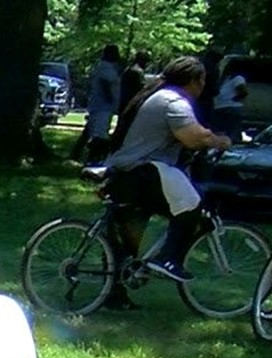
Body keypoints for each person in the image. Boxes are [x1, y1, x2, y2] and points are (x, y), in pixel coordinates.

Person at [105, 54, 233, 289]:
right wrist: (221, 141)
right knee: (191, 205)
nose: (204, 86)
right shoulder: (174, 101)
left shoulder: (159, 95)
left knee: (131, 231)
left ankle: (117, 290)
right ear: (193, 80)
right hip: (145, 171)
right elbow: (194, 137)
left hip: (129, 171)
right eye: (202, 80)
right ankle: (169, 259)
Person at [76, 44, 121, 164]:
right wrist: (112, 100)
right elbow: (106, 85)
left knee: (93, 132)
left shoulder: (102, 67)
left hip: (99, 105)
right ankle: (94, 158)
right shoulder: (106, 68)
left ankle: (79, 155)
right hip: (102, 106)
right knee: (100, 135)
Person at [213, 65, 248, 140]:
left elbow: (243, 91)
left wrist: (234, 99)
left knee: (232, 132)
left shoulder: (238, 78)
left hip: (231, 107)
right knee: (221, 131)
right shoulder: (227, 79)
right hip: (221, 107)